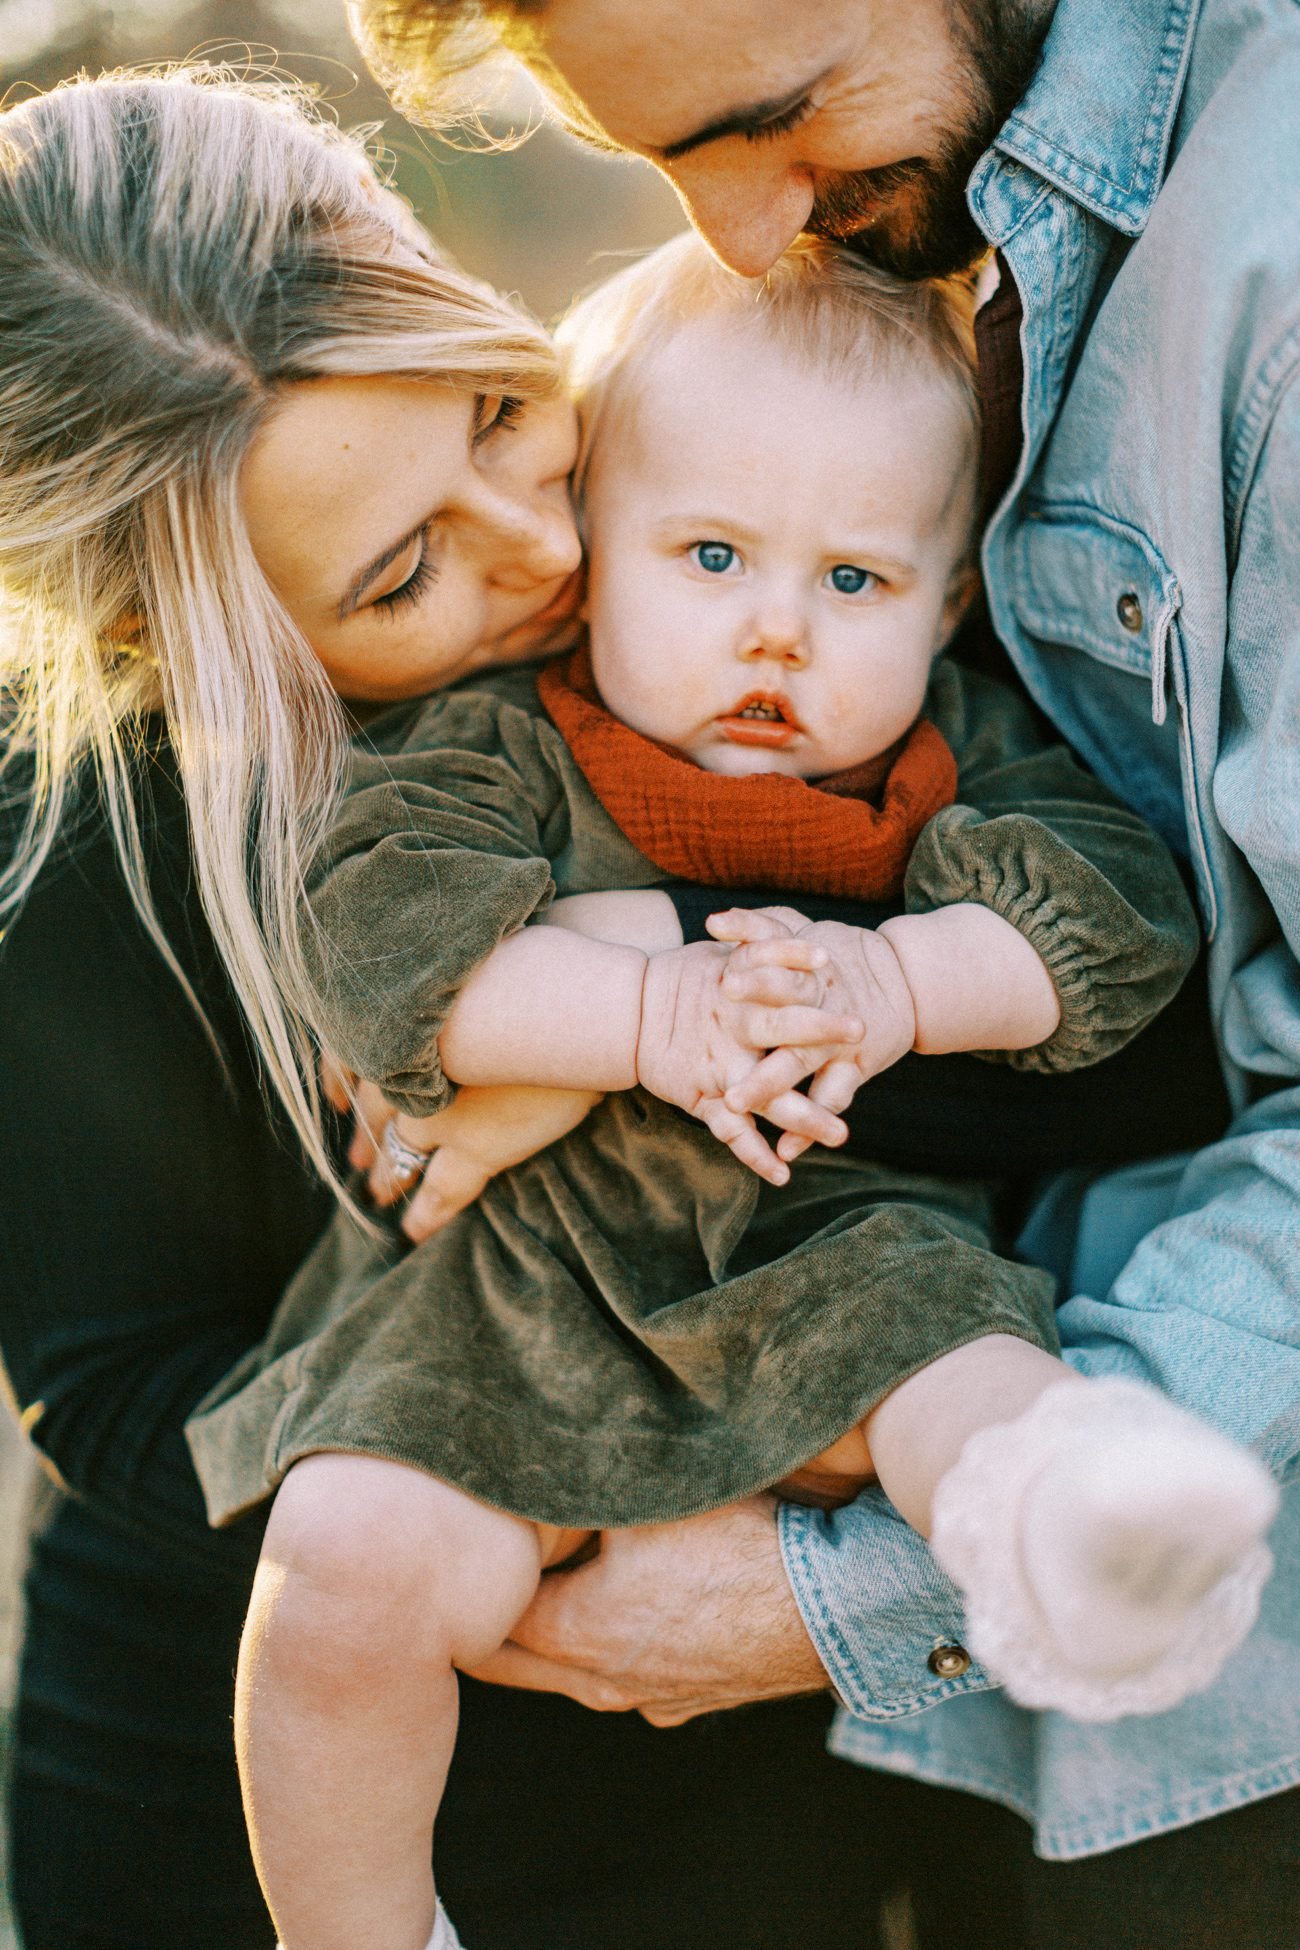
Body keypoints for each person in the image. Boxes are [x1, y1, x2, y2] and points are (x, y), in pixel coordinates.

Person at [0, 52, 1263, 1950]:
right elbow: (115, 1382)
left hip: (757, 1775)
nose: (551, 549)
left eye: (502, 413)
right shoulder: (82, 842)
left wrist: (610, 1020)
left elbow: (1126, 1047)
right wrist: (576, 1463)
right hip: (277, 1745)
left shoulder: (765, 525)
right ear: (170, 641)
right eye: (409, 569)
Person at [342, 0, 1300, 1935]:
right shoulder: (956, 242)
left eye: (773, 123)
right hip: (941, 1725)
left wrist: (856, 1597)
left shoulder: (1261, 263)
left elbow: (1123, 937)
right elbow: (384, 929)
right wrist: (603, 995)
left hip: (1185, 1650)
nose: (747, 235)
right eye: (671, 163)